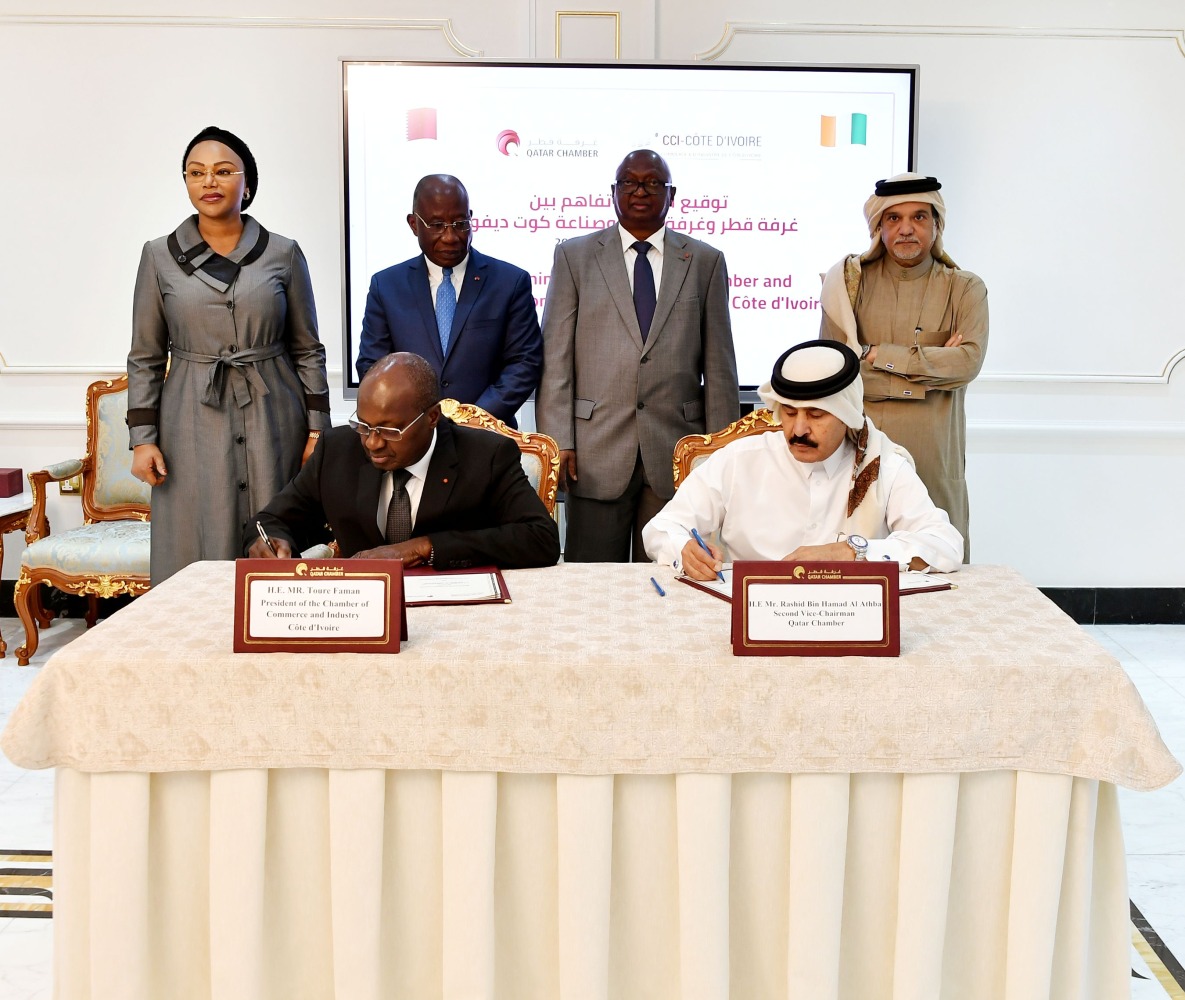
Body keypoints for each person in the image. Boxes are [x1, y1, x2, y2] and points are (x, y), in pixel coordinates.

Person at [128, 125, 330, 585]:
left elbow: (307, 348)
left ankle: (278, 639)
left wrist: (318, 431)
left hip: (274, 414)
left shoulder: (283, 253)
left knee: (277, 530)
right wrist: (142, 438)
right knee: (197, 533)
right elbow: (145, 355)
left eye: (222, 171)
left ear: (247, 183)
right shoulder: (159, 257)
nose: (209, 182)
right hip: (190, 418)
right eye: (196, 173)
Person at [536, 148, 739, 562]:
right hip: (594, 451)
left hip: (678, 452)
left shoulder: (704, 261)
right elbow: (555, 359)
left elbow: (720, 368)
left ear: (672, 194)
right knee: (592, 583)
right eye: (629, 182)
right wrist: (559, 441)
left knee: (668, 577)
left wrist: (719, 450)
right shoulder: (574, 257)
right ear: (613, 192)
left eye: (652, 182)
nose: (640, 190)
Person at [642, 341, 963, 580]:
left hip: (848, 623)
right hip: (747, 617)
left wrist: (853, 552)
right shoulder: (739, 460)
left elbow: (944, 544)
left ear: (846, 414)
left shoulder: (882, 464)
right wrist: (684, 549)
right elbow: (661, 528)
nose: (798, 429)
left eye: (816, 414)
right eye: (790, 413)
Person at [245, 352, 560, 569]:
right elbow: (269, 521)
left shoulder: (486, 455)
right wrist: (271, 542)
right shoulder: (337, 450)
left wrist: (424, 547)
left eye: (389, 430)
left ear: (432, 417)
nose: (373, 442)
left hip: (456, 614)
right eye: (364, 426)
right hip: (361, 612)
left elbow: (540, 538)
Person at [819, 172, 987, 554]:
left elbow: (966, 364)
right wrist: (927, 372)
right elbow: (832, 371)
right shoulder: (847, 285)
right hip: (859, 448)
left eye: (919, 217)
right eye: (894, 218)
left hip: (933, 453)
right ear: (878, 226)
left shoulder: (965, 288)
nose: (907, 229)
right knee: (854, 555)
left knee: (937, 556)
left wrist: (875, 355)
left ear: (936, 225)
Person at [355, 174, 542, 427]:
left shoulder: (510, 282)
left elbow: (524, 362)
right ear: (413, 224)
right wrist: (416, 420)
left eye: (460, 223)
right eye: (437, 225)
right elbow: (373, 365)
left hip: (488, 438)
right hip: (412, 436)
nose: (450, 236)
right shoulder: (386, 286)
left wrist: (473, 420)